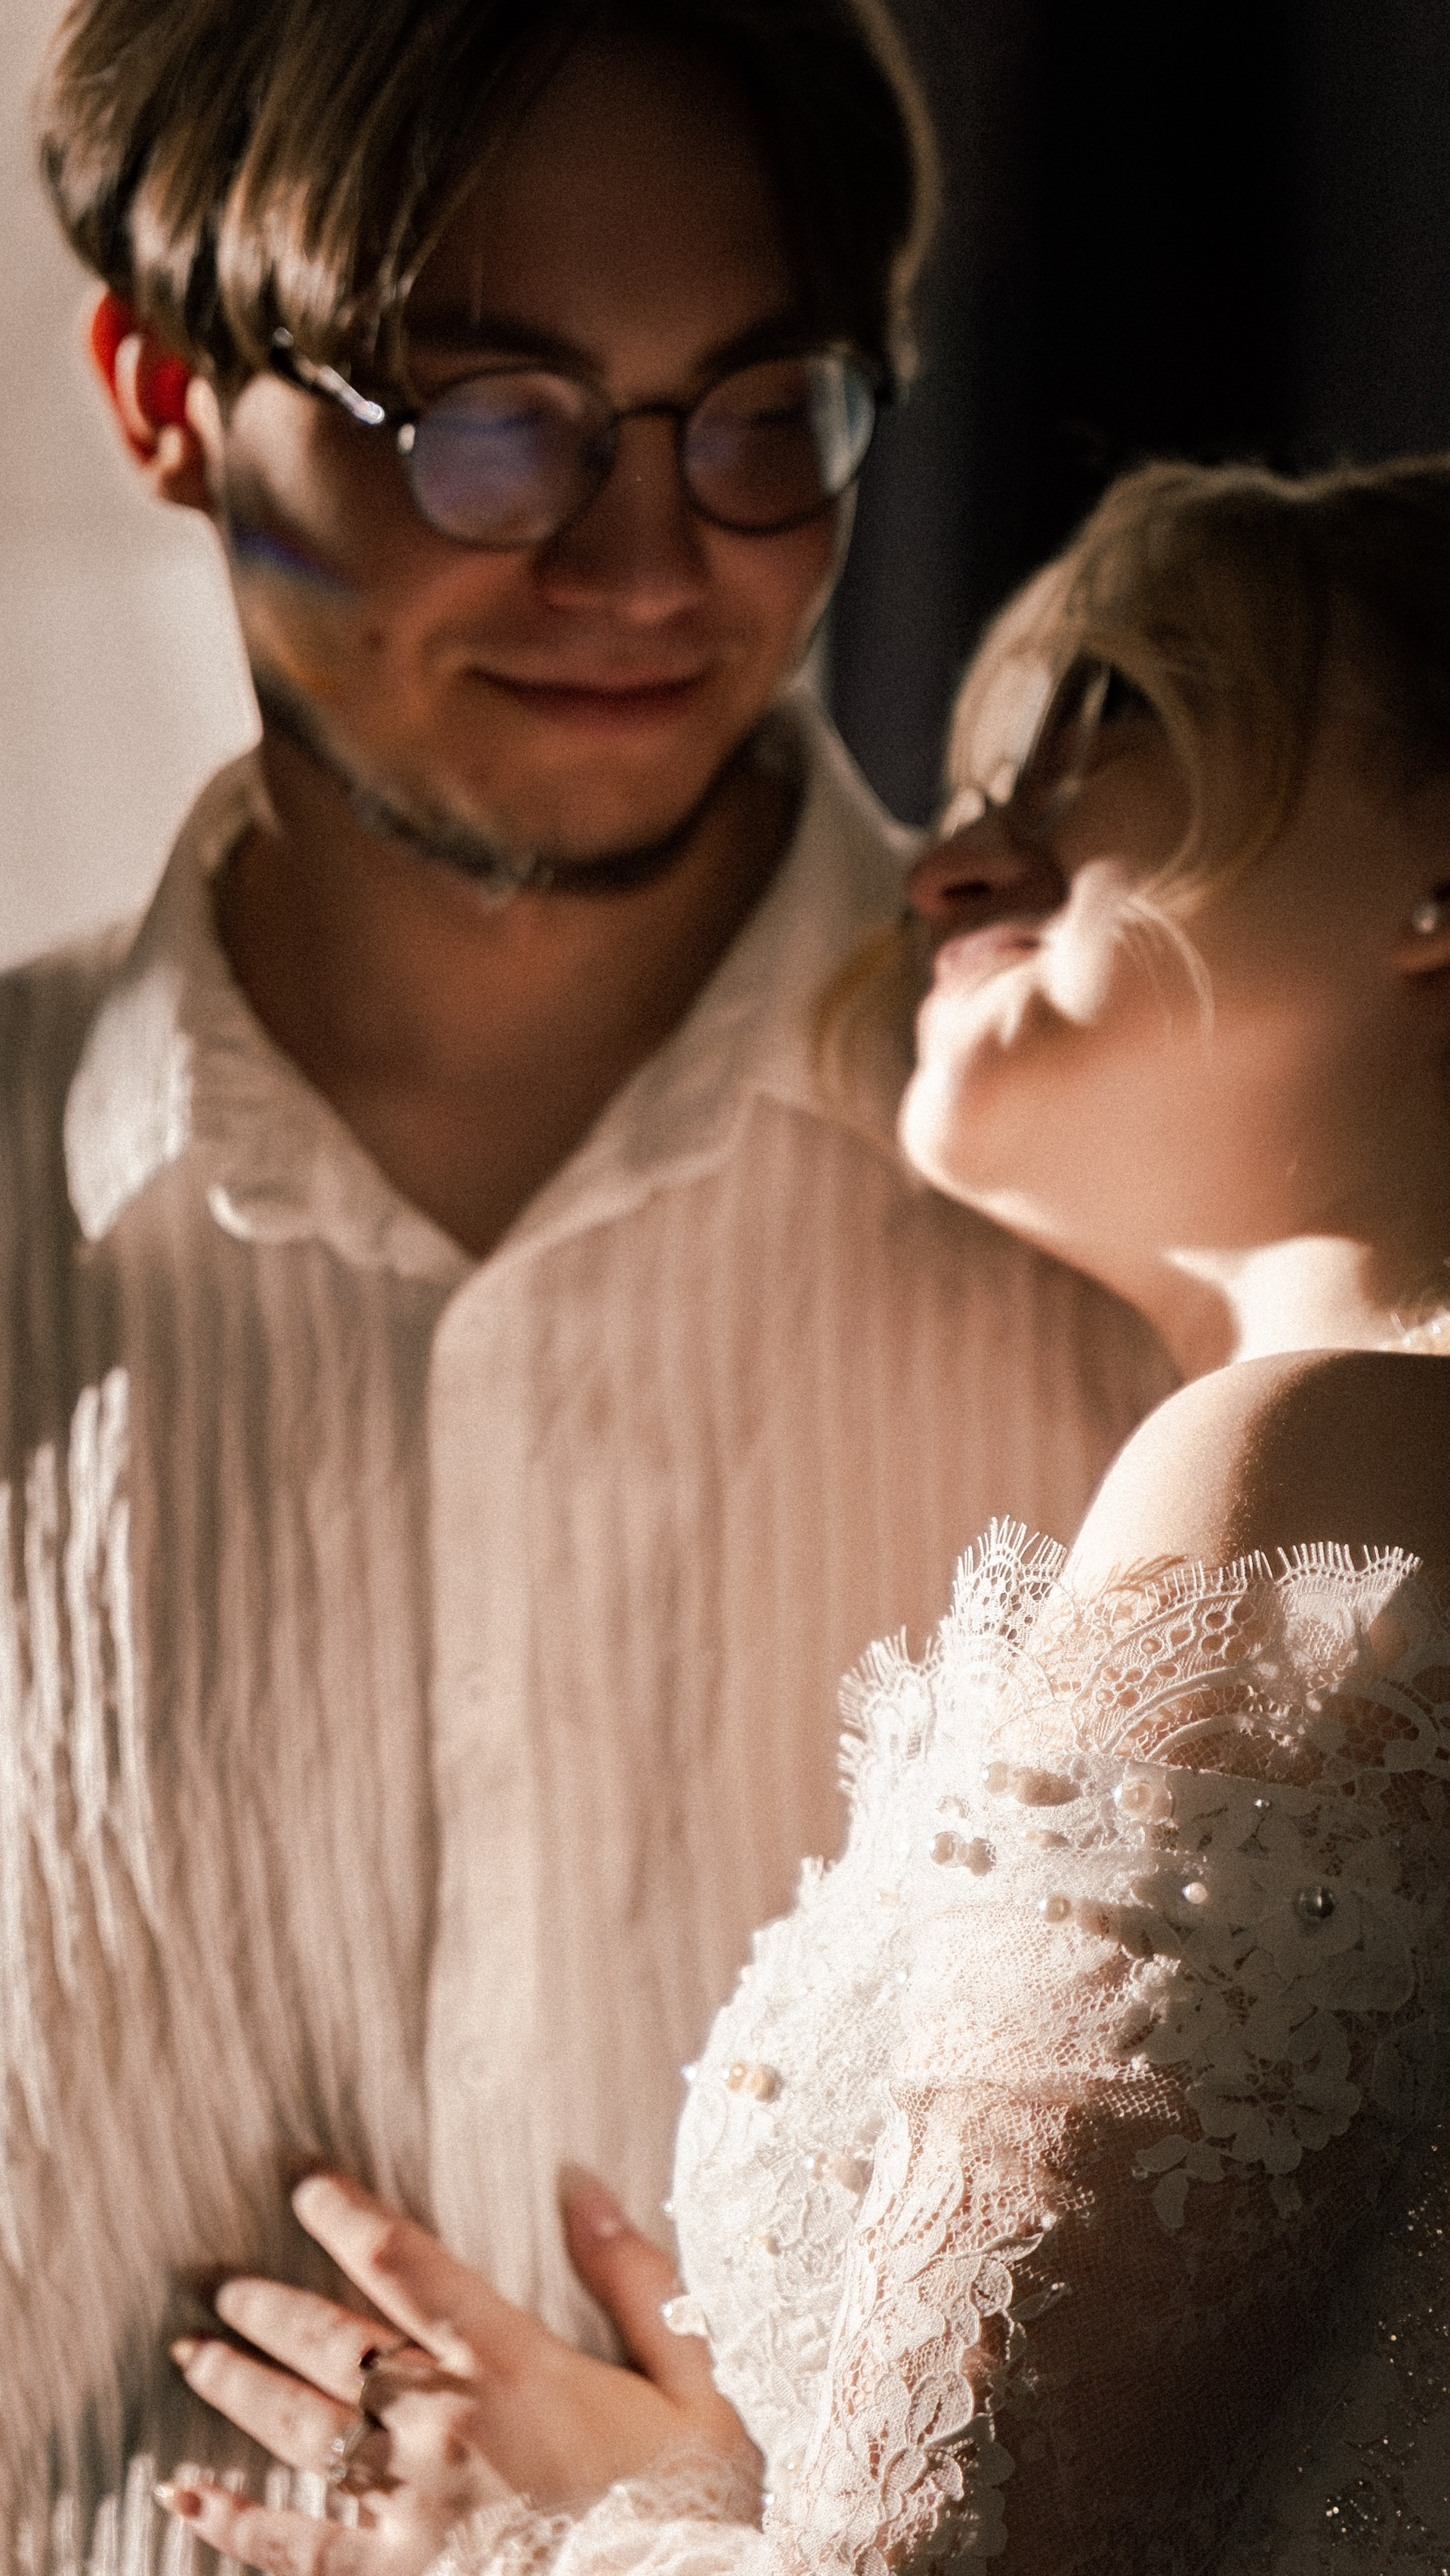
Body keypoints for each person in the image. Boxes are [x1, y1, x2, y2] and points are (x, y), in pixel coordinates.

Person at [2, 0, 1169, 2552]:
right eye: (485, 420)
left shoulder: (1175, 1256)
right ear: (163, 395)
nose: (650, 569)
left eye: (761, 414)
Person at [159, 451, 1450, 2574]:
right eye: (968, 787)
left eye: (1114, 724)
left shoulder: (1300, 1473)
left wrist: (539, 2527)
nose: (949, 866)